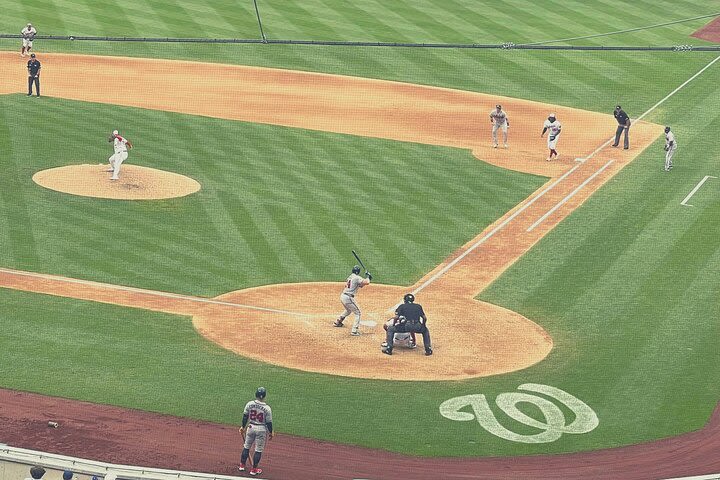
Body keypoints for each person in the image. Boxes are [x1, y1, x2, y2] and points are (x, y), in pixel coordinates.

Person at [239, 387, 274, 477]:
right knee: (258, 450)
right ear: (264, 396)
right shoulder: (267, 408)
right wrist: (271, 432)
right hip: (261, 429)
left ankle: (242, 466)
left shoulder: (249, 404)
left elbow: (245, 416)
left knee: (246, 447)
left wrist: (243, 427)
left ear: (256, 394)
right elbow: (269, 422)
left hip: (250, 427)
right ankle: (254, 470)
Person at [333, 265, 371, 336]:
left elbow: (361, 285)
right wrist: (368, 277)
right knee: (358, 313)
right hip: (348, 298)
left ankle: (338, 321)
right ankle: (354, 331)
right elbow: (367, 282)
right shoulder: (357, 277)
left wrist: (368, 278)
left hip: (343, 296)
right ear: (358, 272)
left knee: (348, 310)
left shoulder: (351, 277)